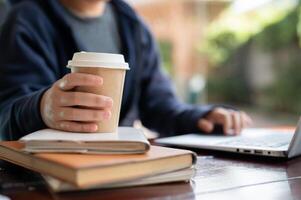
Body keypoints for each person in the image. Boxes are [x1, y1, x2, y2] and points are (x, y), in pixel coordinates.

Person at [0, 0, 252, 140]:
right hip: (50, 176)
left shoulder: (131, 23)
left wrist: (199, 117)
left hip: (118, 168)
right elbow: (5, 116)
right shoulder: (25, 20)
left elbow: (159, 105)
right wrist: (42, 107)